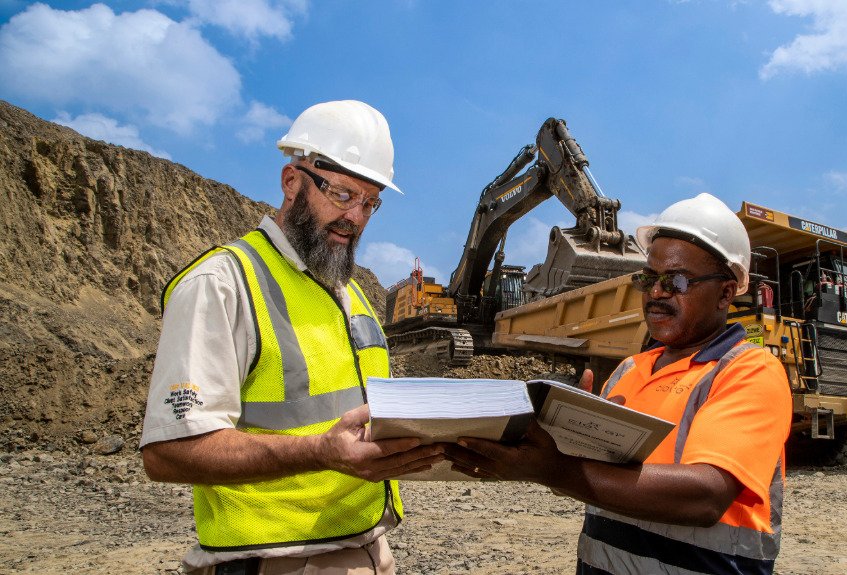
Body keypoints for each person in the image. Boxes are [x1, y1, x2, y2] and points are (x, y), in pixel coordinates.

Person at [140, 100, 443, 575]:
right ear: (291, 181)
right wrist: (320, 452)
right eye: (342, 194)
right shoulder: (223, 283)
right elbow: (168, 452)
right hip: (271, 561)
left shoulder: (351, 293)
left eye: (370, 203)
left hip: (367, 548)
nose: (357, 218)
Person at [446, 193, 792, 574]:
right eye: (649, 278)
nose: (657, 292)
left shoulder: (748, 370)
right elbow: (599, 477)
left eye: (676, 280)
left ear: (726, 292)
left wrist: (553, 469)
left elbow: (705, 497)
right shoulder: (630, 369)